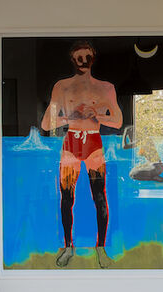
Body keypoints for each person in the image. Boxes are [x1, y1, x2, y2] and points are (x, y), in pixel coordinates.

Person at [41, 40, 123, 267]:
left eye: (87, 57)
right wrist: (72, 117)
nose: (83, 62)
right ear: (72, 59)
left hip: (94, 145)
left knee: (100, 197)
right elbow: (47, 124)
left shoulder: (106, 88)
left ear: (93, 58)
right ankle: (68, 247)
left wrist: (97, 115)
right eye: (79, 57)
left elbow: (117, 121)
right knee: (66, 198)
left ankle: (101, 249)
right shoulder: (62, 87)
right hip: (71, 145)